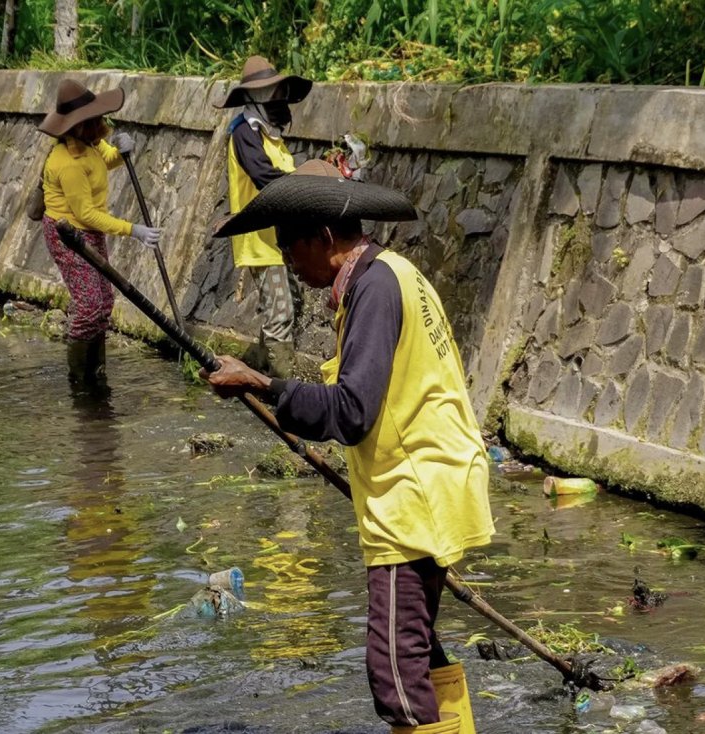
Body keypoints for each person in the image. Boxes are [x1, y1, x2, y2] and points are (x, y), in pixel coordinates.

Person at [202, 160, 494, 734]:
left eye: (290, 243)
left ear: (327, 237)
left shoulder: (376, 289)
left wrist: (263, 383)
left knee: (392, 670)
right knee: (414, 645)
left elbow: (353, 412)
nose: (286, 256)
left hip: (415, 500)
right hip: (433, 482)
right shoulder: (387, 274)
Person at [38, 78, 161, 386]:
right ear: (79, 126)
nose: (102, 124)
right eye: (96, 120)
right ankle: (79, 380)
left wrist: (122, 151)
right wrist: (133, 230)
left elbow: (106, 159)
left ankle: (97, 374)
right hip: (67, 234)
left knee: (104, 301)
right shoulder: (67, 163)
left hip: (87, 232)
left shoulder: (90, 143)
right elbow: (86, 214)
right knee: (89, 305)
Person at [213, 55, 312, 379]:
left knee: (290, 305)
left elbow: (283, 172)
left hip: (279, 236)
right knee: (280, 311)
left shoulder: (270, 133)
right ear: (254, 97)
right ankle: (288, 388)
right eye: (271, 93)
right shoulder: (244, 132)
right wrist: (305, 184)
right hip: (259, 238)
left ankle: (250, 367)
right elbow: (263, 175)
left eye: (278, 92)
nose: (279, 99)